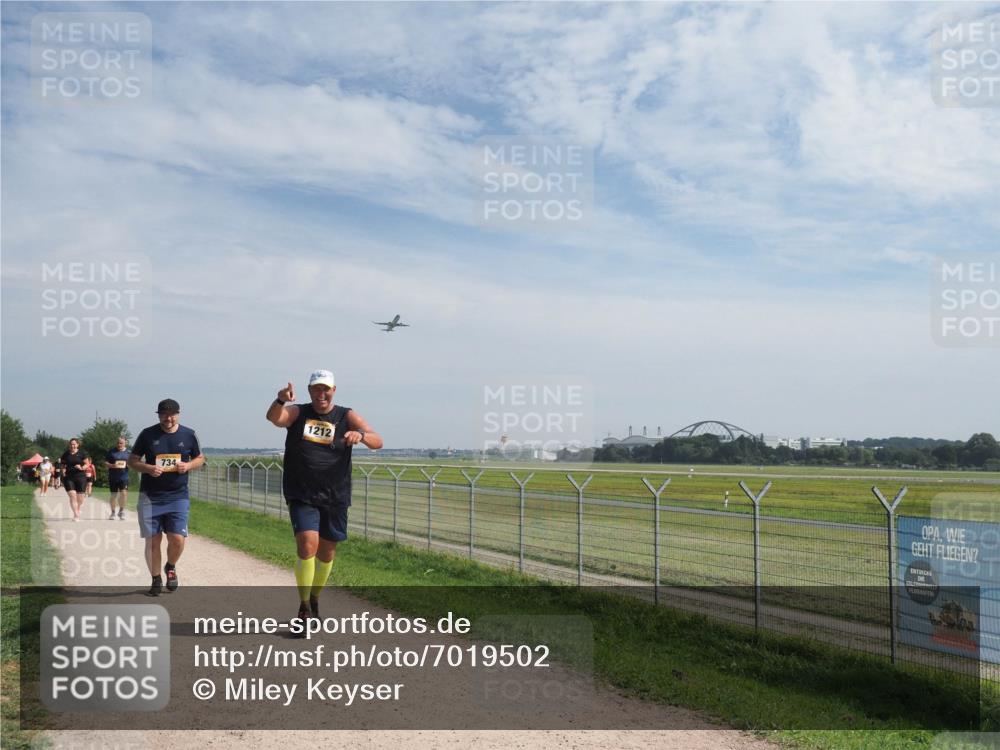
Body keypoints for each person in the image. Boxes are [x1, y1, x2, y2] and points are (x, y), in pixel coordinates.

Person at [266, 370, 382, 627]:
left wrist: (360, 436)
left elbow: (377, 440)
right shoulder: (299, 412)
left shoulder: (346, 415)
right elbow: (275, 418)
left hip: (335, 494)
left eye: (325, 389)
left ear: (333, 390)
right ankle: (304, 607)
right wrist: (280, 400)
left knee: (327, 554)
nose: (321, 394)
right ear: (309, 391)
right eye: (316, 389)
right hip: (302, 492)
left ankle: (315, 598)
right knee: (308, 545)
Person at [128, 399, 204, 596]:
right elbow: (132, 461)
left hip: (177, 496)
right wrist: (148, 468)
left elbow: (200, 458)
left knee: (177, 539)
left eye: (172, 414)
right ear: (158, 415)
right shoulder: (147, 434)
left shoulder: (189, 434)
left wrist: (188, 466)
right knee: (153, 540)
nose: (168, 418)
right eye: (163, 414)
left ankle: (170, 566)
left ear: (178, 414)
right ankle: (155, 580)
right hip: (150, 497)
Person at [60, 439, 89, 521]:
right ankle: (76, 515)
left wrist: (81, 467)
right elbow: (62, 464)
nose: (72, 446)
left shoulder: (82, 453)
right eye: (71, 444)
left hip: (80, 477)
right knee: (72, 495)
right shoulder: (66, 454)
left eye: (74, 444)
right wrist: (63, 469)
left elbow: (87, 464)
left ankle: (78, 509)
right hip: (69, 477)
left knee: (80, 497)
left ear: (77, 445)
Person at [105, 436, 130, 520]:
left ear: (125, 443)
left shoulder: (129, 452)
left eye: (121, 443)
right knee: (113, 495)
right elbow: (105, 463)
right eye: (118, 443)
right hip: (113, 476)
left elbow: (133, 463)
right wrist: (112, 465)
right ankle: (112, 513)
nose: (119, 445)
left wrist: (129, 465)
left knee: (124, 493)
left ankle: (121, 511)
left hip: (124, 477)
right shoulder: (111, 451)